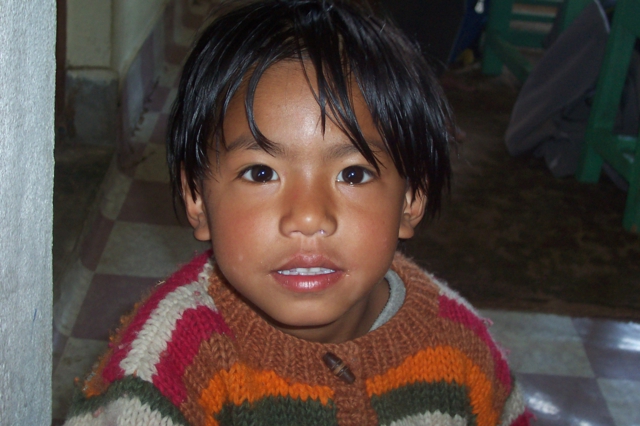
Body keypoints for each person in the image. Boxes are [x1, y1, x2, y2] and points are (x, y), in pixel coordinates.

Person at [64, 1, 530, 424]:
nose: (308, 217)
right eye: (261, 173)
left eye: (353, 174)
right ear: (196, 198)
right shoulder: (161, 374)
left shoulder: (462, 349)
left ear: (411, 199)